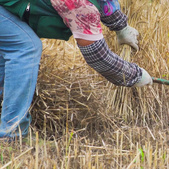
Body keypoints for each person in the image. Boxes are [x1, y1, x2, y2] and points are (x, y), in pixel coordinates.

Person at [0, 0, 152, 139]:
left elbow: (105, 3)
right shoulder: (78, 6)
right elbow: (99, 58)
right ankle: (12, 133)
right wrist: (136, 76)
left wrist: (121, 27)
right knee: (26, 47)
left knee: (10, 43)